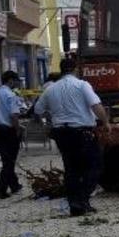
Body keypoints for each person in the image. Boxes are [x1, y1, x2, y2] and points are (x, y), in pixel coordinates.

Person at [35, 59, 111, 215]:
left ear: (61, 70)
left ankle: (74, 204)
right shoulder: (82, 85)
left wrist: (51, 117)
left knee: (71, 169)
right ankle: (82, 199)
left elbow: (38, 110)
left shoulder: (50, 89)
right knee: (95, 166)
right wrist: (105, 122)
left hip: (62, 134)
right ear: (76, 69)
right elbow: (96, 106)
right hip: (82, 133)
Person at [0, 71, 24, 198]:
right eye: (16, 80)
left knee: (6, 158)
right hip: (8, 131)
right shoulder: (11, 95)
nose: (17, 83)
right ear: (10, 81)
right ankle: (1, 189)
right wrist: (18, 129)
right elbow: (14, 115)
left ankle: (14, 185)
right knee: (9, 161)